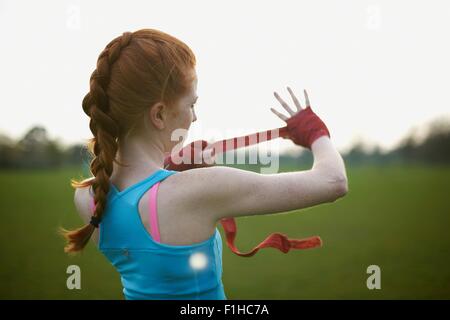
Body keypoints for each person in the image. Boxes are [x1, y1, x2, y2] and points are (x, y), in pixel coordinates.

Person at [59, 28, 348, 300]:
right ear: (159, 115)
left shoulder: (87, 198)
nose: (194, 117)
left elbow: (142, 198)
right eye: (191, 105)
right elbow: (332, 182)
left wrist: (171, 166)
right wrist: (315, 132)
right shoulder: (196, 191)